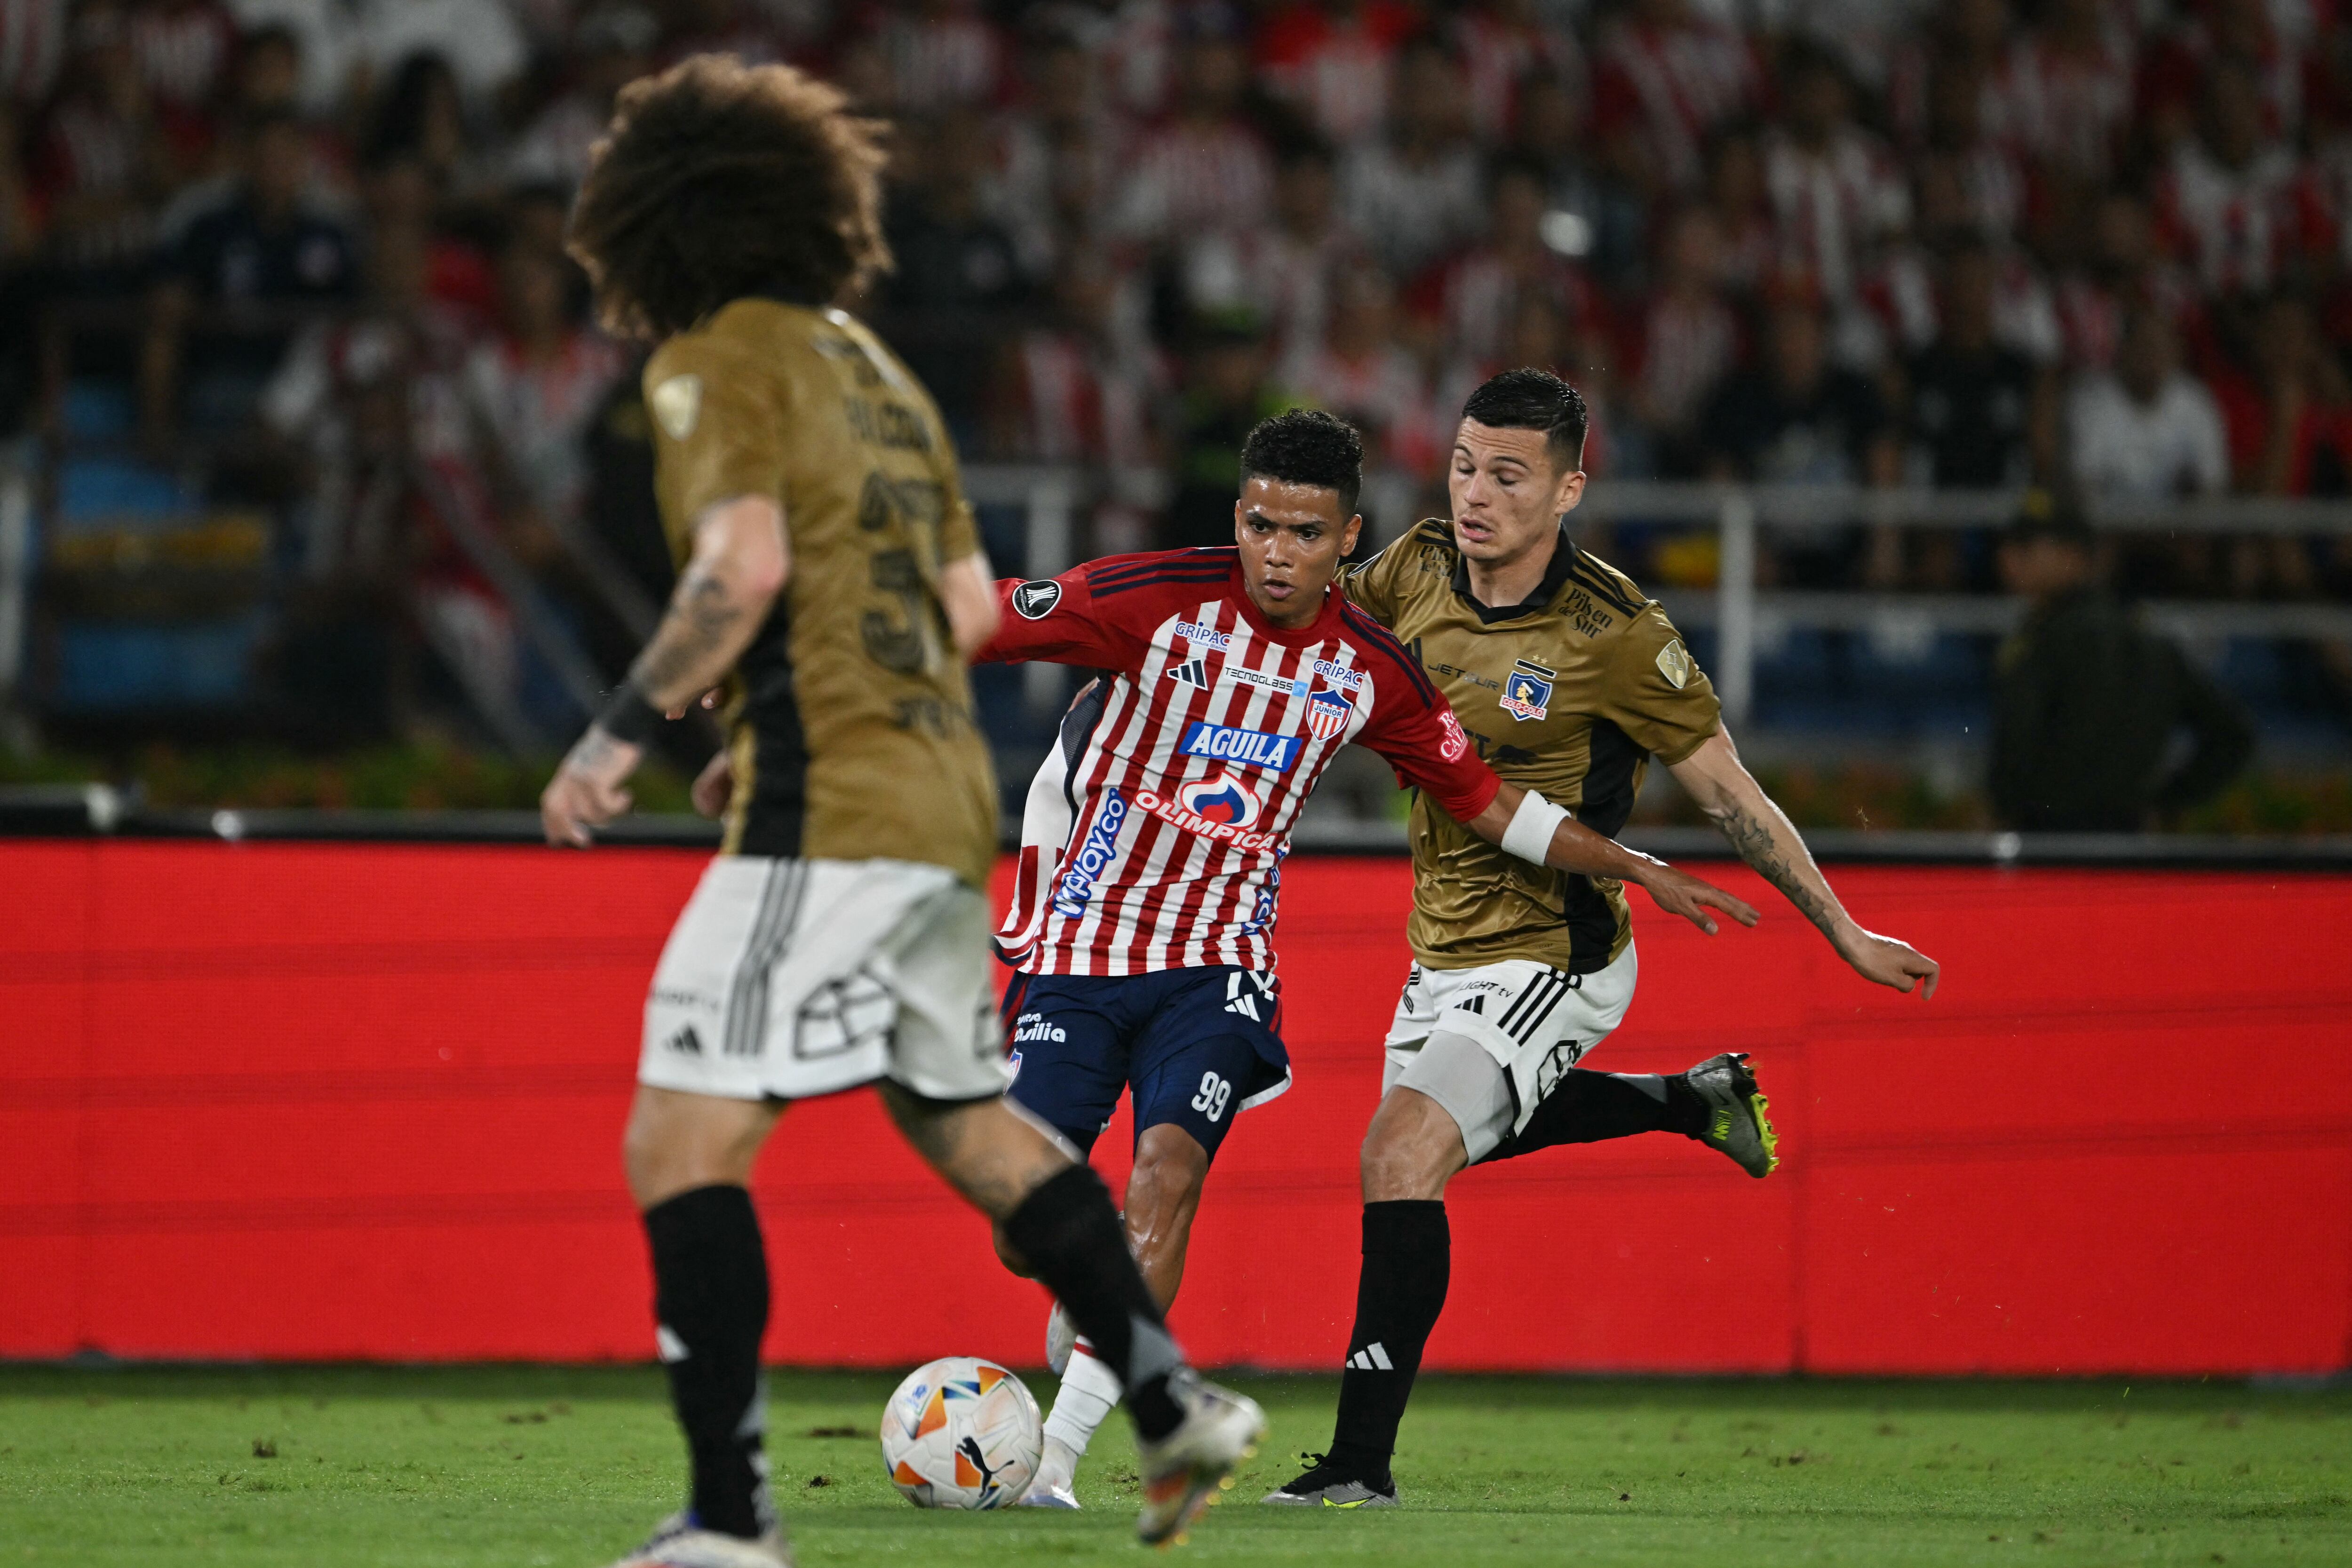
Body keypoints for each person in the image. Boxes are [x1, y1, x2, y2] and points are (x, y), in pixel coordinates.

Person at [539, 56, 1264, 1567]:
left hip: (836, 812)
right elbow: (952, 605)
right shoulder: (876, 376)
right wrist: (790, 725)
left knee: (678, 1142)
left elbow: (736, 568)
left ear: (655, 226)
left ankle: (730, 1524)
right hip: (943, 799)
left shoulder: (708, 360)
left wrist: (619, 734)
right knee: (965, 1123)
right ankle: (1167, 1397)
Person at [977, 409, 1754, 1509]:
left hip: (1218, 963)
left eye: (1303, 532)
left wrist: (1633, 864)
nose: (1276, 553)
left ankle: (1054, 1464)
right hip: (1081, 951)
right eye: (1258, 525)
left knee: (1167, 1180)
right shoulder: (1148, 599)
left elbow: (1483, 801)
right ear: (1236, 517)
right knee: (1024, 1231)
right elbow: (974, 621)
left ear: (1349, 540)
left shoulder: (1370, 670)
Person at [1266, 368, 1942, 1509]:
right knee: (1460, 1133)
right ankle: (1689, 1100)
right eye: (1466, 466)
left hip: (1558, 949)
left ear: (1571, 488)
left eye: (1510, 476)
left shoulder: (1615, 632)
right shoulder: (1416, 568)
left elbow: (1729, 794)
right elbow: (1301, 629)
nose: (1476, 494)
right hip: (1442, 945)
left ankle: (1356, 1467)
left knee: (1402, 1151)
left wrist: (1842, 929)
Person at [1989, 494, 2252, 832]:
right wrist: (2165, 803)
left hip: (2048, 844)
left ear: (2074, 556)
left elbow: (2016, 745)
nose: (2007, 557)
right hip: (2129, 844)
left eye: (2026, 547)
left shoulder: (2043, 641)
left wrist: (2004, 810)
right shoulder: (2145, 638)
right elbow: (2233, 733)